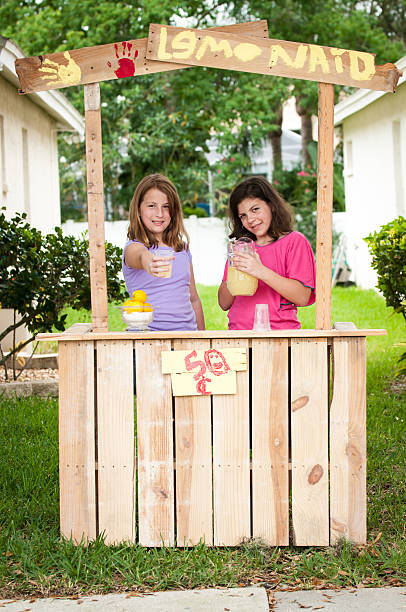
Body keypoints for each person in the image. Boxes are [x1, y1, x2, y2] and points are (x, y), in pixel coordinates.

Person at [218, 176, 315, 330]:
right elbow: (224, 303)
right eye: (243, 215)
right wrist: (235, 274)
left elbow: (302, 297)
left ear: (272, 206)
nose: (250, 219)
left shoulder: (294, 242)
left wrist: (260, 271)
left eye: (255, 209)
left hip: (279, 337)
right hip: (238, 336)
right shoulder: (242, 248)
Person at [122, 173, 205, 331]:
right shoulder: (133, 247)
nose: (159, 213)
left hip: (186, 340)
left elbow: (193, 299)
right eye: (151, 206)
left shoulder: (182, 249)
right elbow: (140, 256)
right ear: (138, 209)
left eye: (166, 206)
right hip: (148, 340)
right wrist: (149, 262)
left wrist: (204, 340)